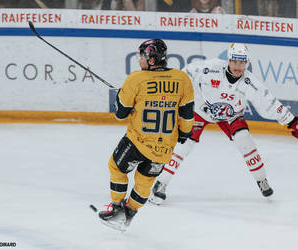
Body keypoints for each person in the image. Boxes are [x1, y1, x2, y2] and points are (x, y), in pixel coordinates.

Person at [149, 43, 298, 205]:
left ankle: (262, 180)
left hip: (230, 115)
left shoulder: (249, 82)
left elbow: (269, 103)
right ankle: (161, 183)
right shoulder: (209, 69)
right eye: (235, 61)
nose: (238, 66)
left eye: (242, 63)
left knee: (244, 140)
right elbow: (185, 75)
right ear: (229, 60)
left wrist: (292, 121)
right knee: (184, 144)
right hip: (200, 110)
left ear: (246, 63)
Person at [98, 39, 195, 231]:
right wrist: (184, 133)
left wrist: (120, 97)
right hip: (164, 147)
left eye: (142, 56)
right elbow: (187, 113)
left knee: (117, 168)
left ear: (151, 58)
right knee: (145, 181)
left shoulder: (136, 79)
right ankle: (130, 213)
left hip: (137, 141)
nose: (139, 59)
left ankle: (117, 208)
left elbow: (120, 114)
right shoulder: (182, 79)